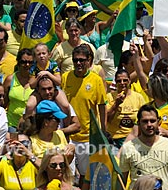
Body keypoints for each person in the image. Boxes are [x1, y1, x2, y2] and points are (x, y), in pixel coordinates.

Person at [61, 44, 106, 184]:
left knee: (86, 175)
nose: (78, 63)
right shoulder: (65, 77)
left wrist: (103, 131)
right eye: (75, 60)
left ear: (89, 61)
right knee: (67, 174)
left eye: (82, 60)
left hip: (88, 137)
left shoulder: (96, 80)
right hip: (69, 136)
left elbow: (102, 106)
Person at [119, 104, 168, 190]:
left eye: (152, 121)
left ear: (158, 122)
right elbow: (122, 181)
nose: (149, 124)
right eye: (145, 121)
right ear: (138, 123)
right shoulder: (128, 147)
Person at [106, 69, 146, 148]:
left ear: (129, 81)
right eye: (119, 81)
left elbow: (144, 117)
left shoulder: (138, 97)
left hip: (132, 139)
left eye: (125, 80)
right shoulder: (109, 97)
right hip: (113, 139)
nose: (122, 83)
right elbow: (106, 119)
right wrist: (116, 104)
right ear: (115, 83)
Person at [3, 48, 34, 131]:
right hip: (11, 124)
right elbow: (3, 103)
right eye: (23, 62)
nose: (27, 65)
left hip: (31, 126)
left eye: (30, 62)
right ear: (18, 62)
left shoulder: (37, 80)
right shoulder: (10, 79)